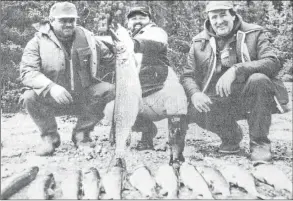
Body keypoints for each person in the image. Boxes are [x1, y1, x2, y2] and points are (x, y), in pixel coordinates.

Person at [181, 1, 288, 162]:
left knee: (258, 79)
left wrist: (237, 69)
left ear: (233, 14)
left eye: (223, 15)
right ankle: (230, 136)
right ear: (209, 19)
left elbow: (273, 62)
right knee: (194, 108)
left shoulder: (254, 32)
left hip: (252, 96)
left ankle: (259, 144)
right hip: (220, 100)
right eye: (214, 17)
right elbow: (187, 75)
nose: (219, 21)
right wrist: (195, 94)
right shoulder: (198, 42)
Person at [20, 2, 116, 156]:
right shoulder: (36, 42)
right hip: (53, 99)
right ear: (51, 20)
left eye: (72, 20)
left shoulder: (89, 38)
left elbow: (112, 60)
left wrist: (123, 47)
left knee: (108, 90)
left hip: (83, 98)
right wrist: (51, 87)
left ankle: (82, 134)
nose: (68, 24)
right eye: (63, 20)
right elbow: (27, 72)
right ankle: (49, 137)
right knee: (29, 96)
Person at [102, 6, 188, 164]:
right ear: (128, 22)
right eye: (133, 18)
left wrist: (132, 44)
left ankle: (176, 154)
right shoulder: (123, 39)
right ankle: (146, 133)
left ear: (149, 20)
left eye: (141, 17)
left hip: (157, 95)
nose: (137, 20)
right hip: (136, 97)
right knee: (110, 109)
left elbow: (157, 44)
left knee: (176, 95)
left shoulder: (155, 32)